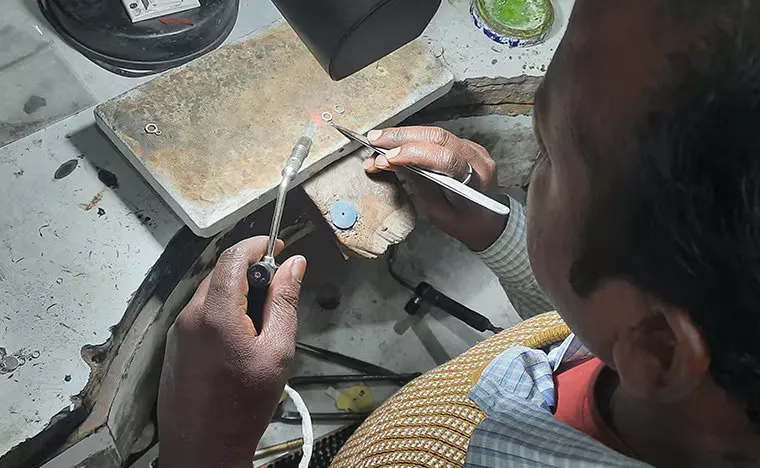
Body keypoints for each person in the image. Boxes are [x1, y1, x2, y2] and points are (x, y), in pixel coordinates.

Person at [157, 0, 760, 466]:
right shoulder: (681, 362)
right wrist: (496, 227)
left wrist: (204, 446)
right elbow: (584, 321)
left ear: (659, 350)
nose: (534, 167)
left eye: (547, 153)